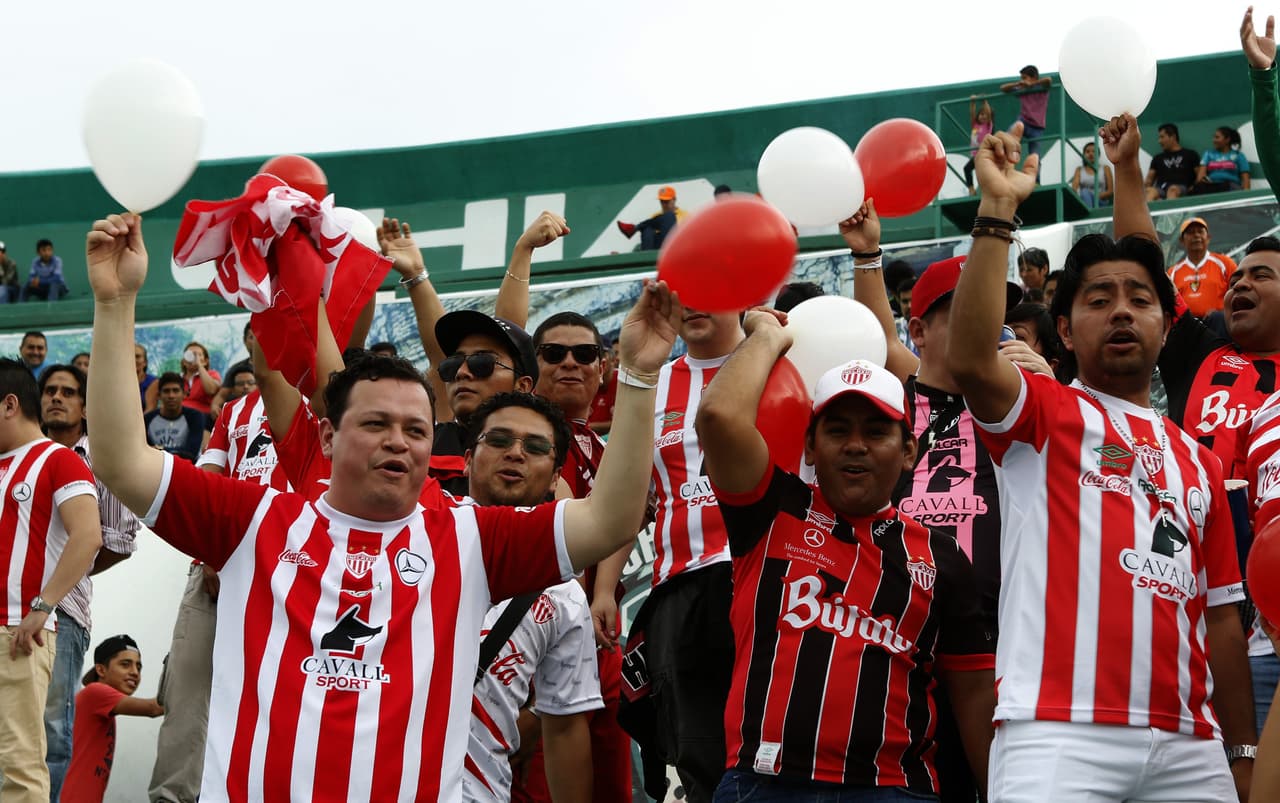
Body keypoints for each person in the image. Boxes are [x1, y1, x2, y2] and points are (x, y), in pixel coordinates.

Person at [83, 211, 679, 800]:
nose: (399, 439)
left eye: (417, 430)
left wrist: (639, 374)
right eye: (376, 423)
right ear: (326, 437)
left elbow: (611, 518)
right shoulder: (255, 521)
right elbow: (120, 461)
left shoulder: (469, 540)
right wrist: (114, 305)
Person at [949, 116, 1254, 802]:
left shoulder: (1199, 463)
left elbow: (1222, 619)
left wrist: (1241, 752)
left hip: (1191, 744)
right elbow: (968, 358)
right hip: (1054, 733)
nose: (1122, 311)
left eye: (1141, 300)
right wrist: (998, 209)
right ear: (1063, 329)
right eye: (1098, 300)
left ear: (1167, 323)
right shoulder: (1043, 412)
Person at [697, 343, 996, 800]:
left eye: (876, 432)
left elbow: (974, 696)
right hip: (761, 783)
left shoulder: (944, 557)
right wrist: (762, 334)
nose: (856, 445)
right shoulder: (770, 510)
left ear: (908, 450)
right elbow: (717, 416)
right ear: (811, 446)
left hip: (894, 790)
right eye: (837, 431)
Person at [620, 306, 745, 803]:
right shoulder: (653, 383)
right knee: (699, 752)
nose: (694, 303)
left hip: (768, 579)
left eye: (709, 290)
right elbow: (629, 492)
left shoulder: (781, 360)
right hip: (681, 587)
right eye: (683, 292)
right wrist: (607, 586)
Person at [150, 355, 286, 803]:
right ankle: (172, 798)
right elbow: (208, 479)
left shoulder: (326, 402)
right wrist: (209, 550)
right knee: (186, 694)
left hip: (290, 569)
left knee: (279, 702)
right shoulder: (236, 411)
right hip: (215, 566)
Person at [463, 392, 602, 803]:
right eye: (499, 440)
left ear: (557, 475)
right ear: (468, 458)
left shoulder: (564, 596)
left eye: (536, 447)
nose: (516, 454)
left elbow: (565, 728)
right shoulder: (414, 536)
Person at [531, 311, 633, 802]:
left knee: (612, 783)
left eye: (584, 354)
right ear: (532, 370)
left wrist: (605, 592)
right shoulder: (530, 440)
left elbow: (621, 516)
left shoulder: (599, 443)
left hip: (599, 636)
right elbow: (563, 523)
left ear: (604, 367)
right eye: (554, 353)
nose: (571, 363)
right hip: (544, 637)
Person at [37, 364, 141, 802]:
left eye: (68, 392)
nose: (57, 398)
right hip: (8, 607)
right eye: (49, 390)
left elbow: (120, 539)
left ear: (84, 406)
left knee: (52, 731)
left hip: (64, 614)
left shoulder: (101, 458)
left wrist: (64, 575)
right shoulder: (22, 453)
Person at [0, 358, 101, 803]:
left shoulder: (58, 459)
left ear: (8, 405)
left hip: (18, 633)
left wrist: (42, 608)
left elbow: (90, 535)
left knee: (21, 765)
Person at [61, 635, 163, 803]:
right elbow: (154, 708)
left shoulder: (104, 707)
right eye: (125, 664)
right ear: (101, 670)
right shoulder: (96, 693)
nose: (135, 673)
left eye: (139, 667)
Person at [1167, 217, 1238, 319]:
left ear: (1208, 237)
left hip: (1218, 324)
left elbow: (1238, 292)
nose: (1196, 235)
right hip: (1187, 327)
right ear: (1182, 240)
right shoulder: (1173, 272)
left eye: (1200, 231)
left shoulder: (1225, 264)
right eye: (1190, 232)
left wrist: (1222, 312)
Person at [144, 372, 207, 462]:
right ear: (159, 396)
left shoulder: (195, 417)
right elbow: (144, 454)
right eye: (166, 391)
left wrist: (158, 450)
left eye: (176, 390)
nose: (171, 396)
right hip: (157, 470)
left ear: (184, 394)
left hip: (186, 469)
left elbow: (191, 454)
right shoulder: (147, 419)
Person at [999, 65, 1051, 158]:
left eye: (1024, 78)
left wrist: (1032, 84)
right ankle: (1001, 153)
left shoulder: (1041, 87)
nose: (1022, 80)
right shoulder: (1022, 88)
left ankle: (1036, 173)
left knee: (1035, 157)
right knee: (1007, 137)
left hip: (1037, 128)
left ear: (1033, 78)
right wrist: (1018, 84)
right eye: (1021, 78)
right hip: (1024, 122)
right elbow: (1003, 88)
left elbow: (1048, 80)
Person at [207, 323, 257, 417]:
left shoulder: (277, 366)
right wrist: (215, 406)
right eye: (251, 337)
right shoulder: (236, 369)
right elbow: (222, 395)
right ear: (244, 341)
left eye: (259, 337)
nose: (256, 342)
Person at [617, 186, 687, 250]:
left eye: (666, 201)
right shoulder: (655, 216)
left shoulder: (685, 216)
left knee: (670, 216)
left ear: (674, 199)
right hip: (658, 246)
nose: (664, 205)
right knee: (647, 229)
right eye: (662, 202)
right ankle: (646, 257)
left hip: (675, 245)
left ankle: (634, 228)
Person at [1145, 123, 1200, 201]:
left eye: (1162, 137)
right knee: (1150, 192)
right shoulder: (1157, 158)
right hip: (1161, 188)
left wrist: (1194, 187)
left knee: (1172, 190)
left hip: (1182, 188)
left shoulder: (1190, 154)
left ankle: (1169, 213)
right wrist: (1145, 189)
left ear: (1173, 137)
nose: (1159, 141)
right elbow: (1149, 180)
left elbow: (1199, 175)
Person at [1193, 126, 1251, 194]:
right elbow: (1200, 176)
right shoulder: (1208, 154)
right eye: (1214, 137)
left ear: (1227, 139)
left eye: (1217, 137)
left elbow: (1246, 179)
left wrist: (1246, 194)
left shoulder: (1238, 155)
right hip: (1212, 186)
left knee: (1227, 186)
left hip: (1230, 186)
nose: (1214, 140)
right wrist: (1204, 180)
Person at [179, 341, 221, 417]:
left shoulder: (212, 374)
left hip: (202, 416)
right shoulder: (178, 379)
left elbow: (211, 390)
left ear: (205, 361)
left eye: (199, 355)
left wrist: (199, 365)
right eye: (189, 354)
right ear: (184, 361)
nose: (194, 357)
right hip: (179, 416)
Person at [964, 96, 995, 194]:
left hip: (984, 153)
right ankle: (971, 189)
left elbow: (988, 113)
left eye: (985, 115)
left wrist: (984, 101)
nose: (983, 116)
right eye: (981, 114)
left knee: (984, 173)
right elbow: (972, 113)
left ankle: (989, 189)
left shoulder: (988, 125)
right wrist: (972, 102)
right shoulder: (975, 125)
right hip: (975, 154)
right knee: (967, 169)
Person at [1071, 142, 1114, 207]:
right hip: (1085, 199)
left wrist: (1094, 196)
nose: (1091, 154)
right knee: (1084, 192)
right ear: (1084, 155)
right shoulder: (1079, 170)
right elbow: (1074, 189)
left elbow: (1110, 191)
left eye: (1094, 151)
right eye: (1087, 152)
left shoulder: (1105, 168)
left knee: (1085, 192)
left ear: (1098, 155)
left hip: (1101, 201)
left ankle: (1090, 215)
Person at [136, 343, 159, 413]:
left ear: (145, 362)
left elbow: (150, 410)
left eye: (137, 356)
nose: (133, 360)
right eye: (130, 356)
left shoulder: (153, 382)